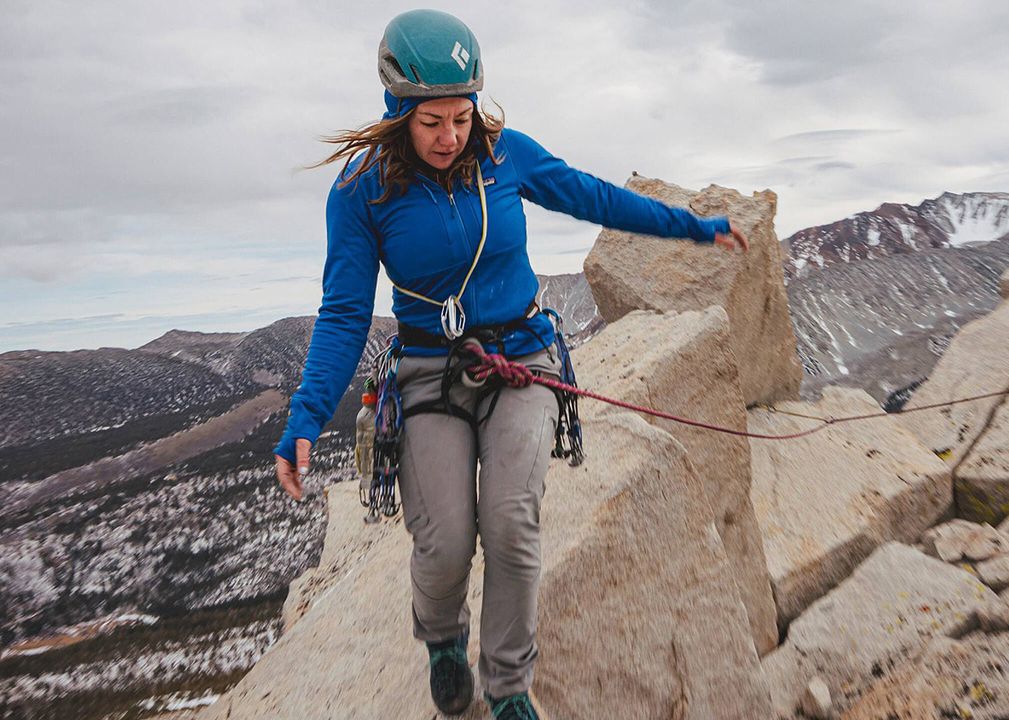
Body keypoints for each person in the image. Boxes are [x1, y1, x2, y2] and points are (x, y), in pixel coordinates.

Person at [271, 9, 747, 719]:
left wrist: (694, 228)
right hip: (432, 372)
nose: (450, 136)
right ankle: (440, 639)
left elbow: (594, 196)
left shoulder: (504, 154)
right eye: (431, 122)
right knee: (444, 544)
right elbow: (344, 313)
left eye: (460, 117)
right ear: (397, 110)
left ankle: (508, 684)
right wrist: (305, 415)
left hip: (520, 361)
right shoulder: (362, 191)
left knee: (512, 523)